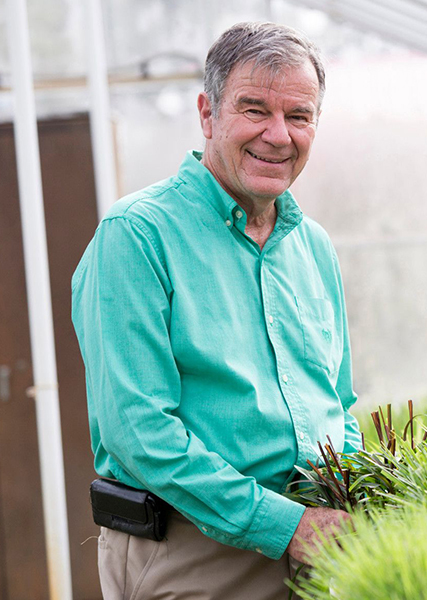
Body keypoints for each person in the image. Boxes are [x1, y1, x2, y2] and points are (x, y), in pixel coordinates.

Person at [72, 21, 360, 599]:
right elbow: (140, 431)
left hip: (320, 550)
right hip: (194, 555)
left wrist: (354, 499)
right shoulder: (137, 236)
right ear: (207, 113)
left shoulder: (314, 247)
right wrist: (284, 527)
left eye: (299, 117)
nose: (278, 135)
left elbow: (338, 403)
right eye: (254, 110)